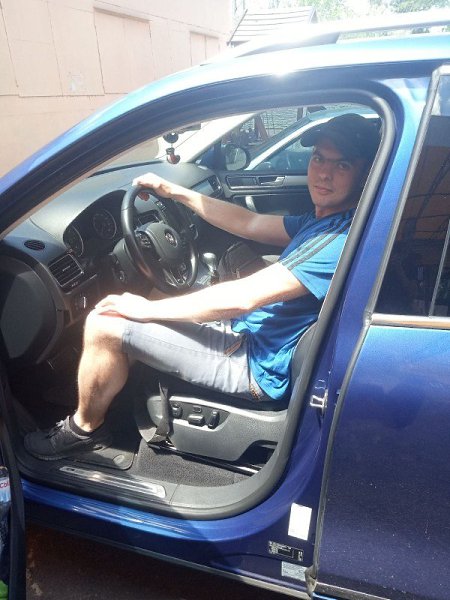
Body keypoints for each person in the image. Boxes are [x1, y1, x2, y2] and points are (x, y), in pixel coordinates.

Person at [24, 113, 380, 460]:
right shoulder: (323, 221)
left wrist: (145, 310)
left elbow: (245, 297)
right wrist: (177, 192)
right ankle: (110, 394)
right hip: (250, 334)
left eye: (342, 165)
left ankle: (84, 430)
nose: (324, 172)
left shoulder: (338, 237)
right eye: (318, 158)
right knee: (155, 299)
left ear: (364, 173)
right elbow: (249, 222)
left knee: (104, 324)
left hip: (254, 362)